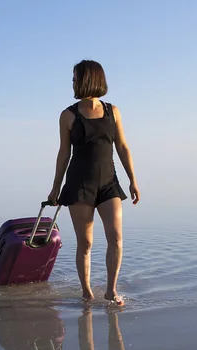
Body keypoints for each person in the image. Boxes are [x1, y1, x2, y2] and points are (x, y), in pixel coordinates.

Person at [47, 59, 140, 306]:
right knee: (85, 243)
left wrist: (133, 180)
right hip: (79, 185)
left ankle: (111, 290)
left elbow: (122, 146)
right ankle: (87, 292)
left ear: (89, 79)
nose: (73, 82)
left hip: (109, 183)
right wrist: (56, 187)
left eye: (75, 77)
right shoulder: (68, 115)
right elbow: (64, 153)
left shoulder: (113, 111)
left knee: (116, 238)